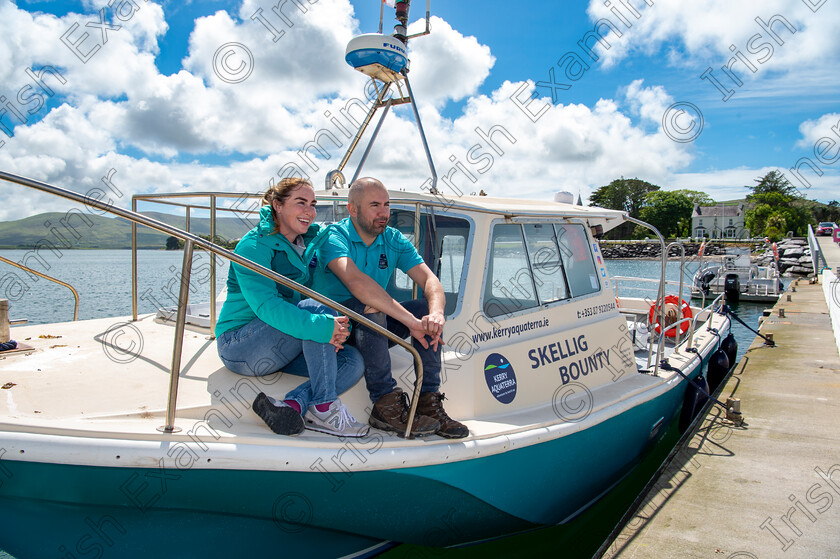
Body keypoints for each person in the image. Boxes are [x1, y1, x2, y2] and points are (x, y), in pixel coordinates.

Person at [311, 177, 468, 439]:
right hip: (333, 330)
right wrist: (411, 324)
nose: (384, 213)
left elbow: (430, 280)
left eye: (386, 205)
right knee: (372, 307)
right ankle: (384, 402)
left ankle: (428, 401)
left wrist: (435, 315)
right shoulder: (334, 237)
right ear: (352, 209)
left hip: (372, 329)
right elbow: (358, 283)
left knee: (422, 309)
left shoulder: (392, 239)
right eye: (374, 205)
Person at [215, 177, 368, 438]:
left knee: (352, 362)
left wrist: (333, 329)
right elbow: (268, 307)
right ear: (278, 205)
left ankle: (294, 404)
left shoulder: (304, 241)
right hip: (240, 346)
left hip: (279, 345)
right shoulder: (252, 247)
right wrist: (324, 327)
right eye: (300, 203)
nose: (309, 211)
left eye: (312, 204)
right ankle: (324, 407)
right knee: (316, 312)